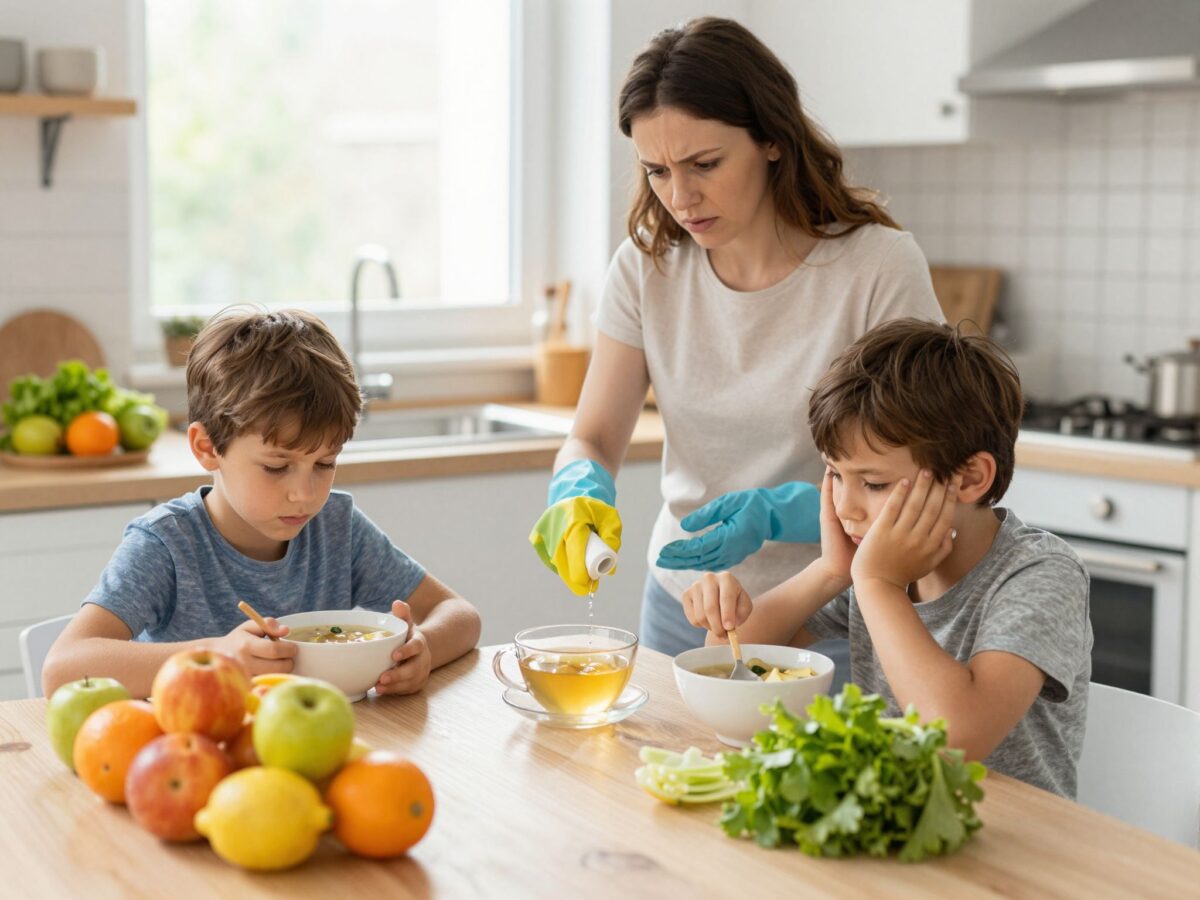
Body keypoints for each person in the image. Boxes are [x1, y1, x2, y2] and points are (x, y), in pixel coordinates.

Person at [529, 17, 944, 662]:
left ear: (772, 140)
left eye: (705, 164)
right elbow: (595, 435)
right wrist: (577, 488)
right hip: (685, 600)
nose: (681, 197)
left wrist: (782, 513)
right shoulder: (646, 268)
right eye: (657, 171)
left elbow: (925, 469)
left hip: (836, 610)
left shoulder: (877, 268)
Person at [681, 318, 1093, 798]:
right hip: (900, 824)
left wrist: (877, 584)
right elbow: (730, 658)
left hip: (1016, 835)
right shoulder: (873, 569)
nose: (845, 506)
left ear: (969, 478)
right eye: (835, 475)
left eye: (873, 484)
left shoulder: (1039, 575)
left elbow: (956, 737)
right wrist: (829, 573)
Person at [42, 309, 481, 698]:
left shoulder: (336, 528)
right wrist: (215, 655)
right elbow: (62, 668)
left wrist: (422, 649)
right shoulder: (167, 544)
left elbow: (460, 615)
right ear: (207, 448)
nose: (304, 493)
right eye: (276, 467)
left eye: (325, 463)